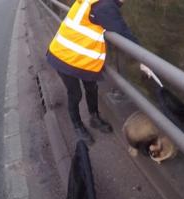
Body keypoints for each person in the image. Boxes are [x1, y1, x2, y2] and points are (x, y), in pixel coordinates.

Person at [47, 0, 154, 144]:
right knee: (75, 94)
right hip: (64, 57)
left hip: (82, 58)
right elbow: (123, 32)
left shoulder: (99, 2)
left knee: (92, 87)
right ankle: (77, 125)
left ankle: (94, 117)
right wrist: (144, 59)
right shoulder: (104, 6)